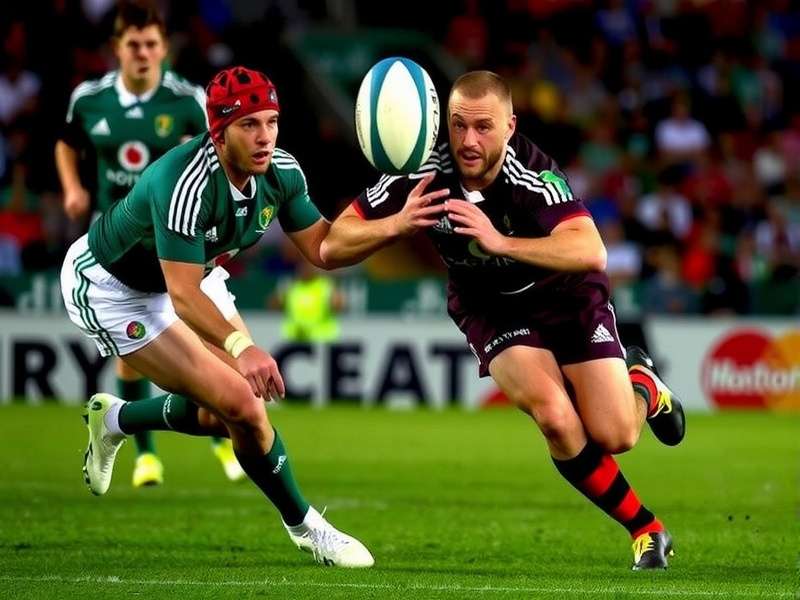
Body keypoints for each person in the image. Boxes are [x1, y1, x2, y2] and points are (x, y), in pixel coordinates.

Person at [321, 70, 685, 570]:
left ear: (510, 127)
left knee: (616, 434)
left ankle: (641, 383)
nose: (468, 141)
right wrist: (397, 223)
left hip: (565, 296)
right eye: (457, 125)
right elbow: (332, 244)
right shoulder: (420, 167)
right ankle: (645, 528)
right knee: (555, 417)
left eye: (484, 127)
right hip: (490, 306)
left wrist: (500, 241)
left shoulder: (531, 175)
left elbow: (591, 249)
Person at [60, 65, 374, 568]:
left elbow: (323, 248)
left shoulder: (281, 172)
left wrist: (396, 224)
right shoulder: (184, 181)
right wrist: (241, 348)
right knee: (245, 408)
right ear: (219, 130)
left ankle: (116, 417)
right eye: (250, 124)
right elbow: (182, 296)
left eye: (271, 121)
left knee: (229, 416)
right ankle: (308, 529)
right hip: (113, 288)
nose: (265, 136)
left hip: (190, 274)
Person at [54, 0, 243, 487]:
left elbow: (217, 158)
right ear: (117, 48)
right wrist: (73, 188)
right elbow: (65, 143)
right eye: (133, 44)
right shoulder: (89, 99)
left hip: (180, 245)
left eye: (152, 44)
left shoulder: (186, 100)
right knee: (146, 356)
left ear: (165, 48)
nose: (143, 53)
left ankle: (221, 438)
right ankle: (147, 455)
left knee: (226, 366)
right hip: (118, 251)